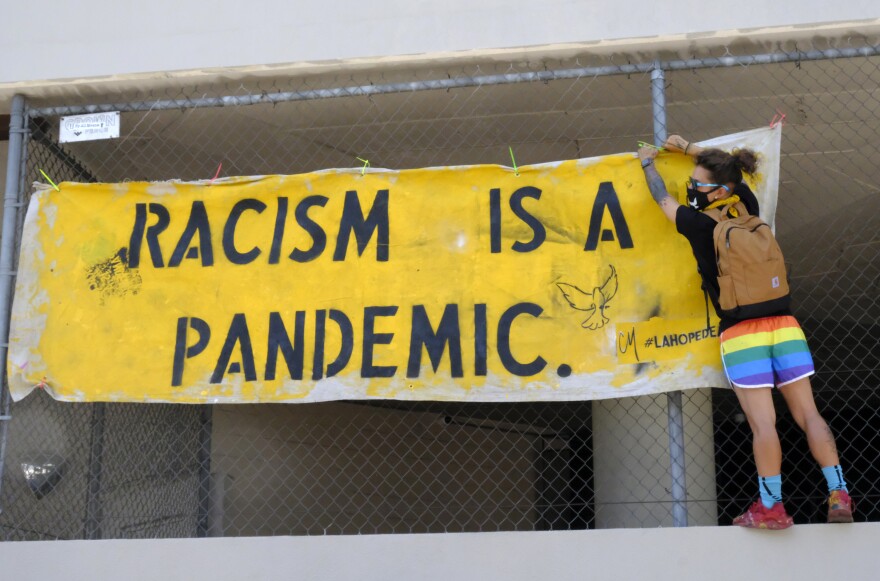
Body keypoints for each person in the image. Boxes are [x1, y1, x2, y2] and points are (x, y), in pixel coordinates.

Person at [637, 135, 854, 529]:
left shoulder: (700, 224)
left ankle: (772, 507)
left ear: (718, 190)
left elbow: (661, 199)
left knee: (763, 424)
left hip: (742, 332)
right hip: (786, 325)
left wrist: (647, 164)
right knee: (808, 414)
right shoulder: (748, 205)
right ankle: (839, 491)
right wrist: (689, 148)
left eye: (697, 184)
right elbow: (728, 167)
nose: (690, 188)